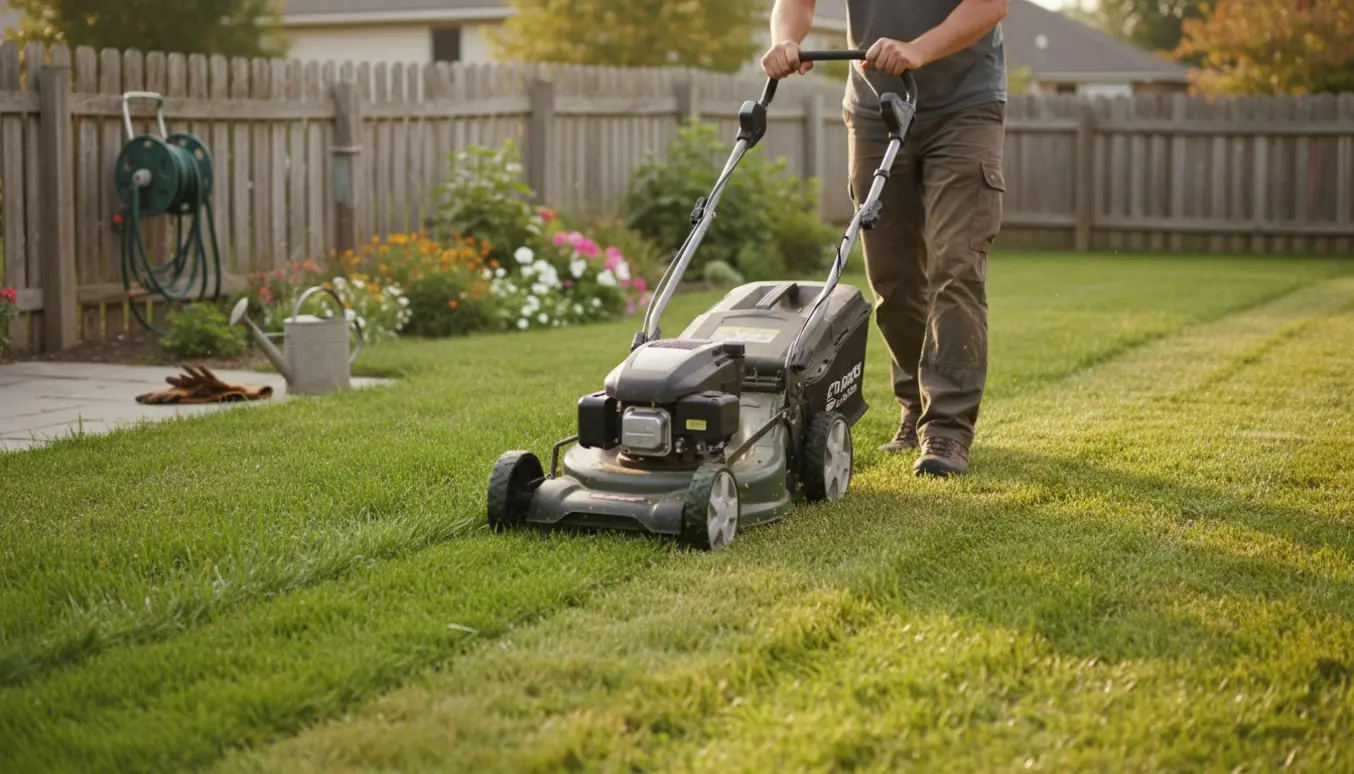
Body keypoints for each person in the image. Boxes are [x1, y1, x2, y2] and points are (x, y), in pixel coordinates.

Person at [762, 0, 1009, 478]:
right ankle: (915, 406)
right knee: (892, 278)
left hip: (964, 106)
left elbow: (991, 5)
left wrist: (918, 49)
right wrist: (785, 40)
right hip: (874, 107)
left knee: (955, 266)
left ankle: (948, 428)